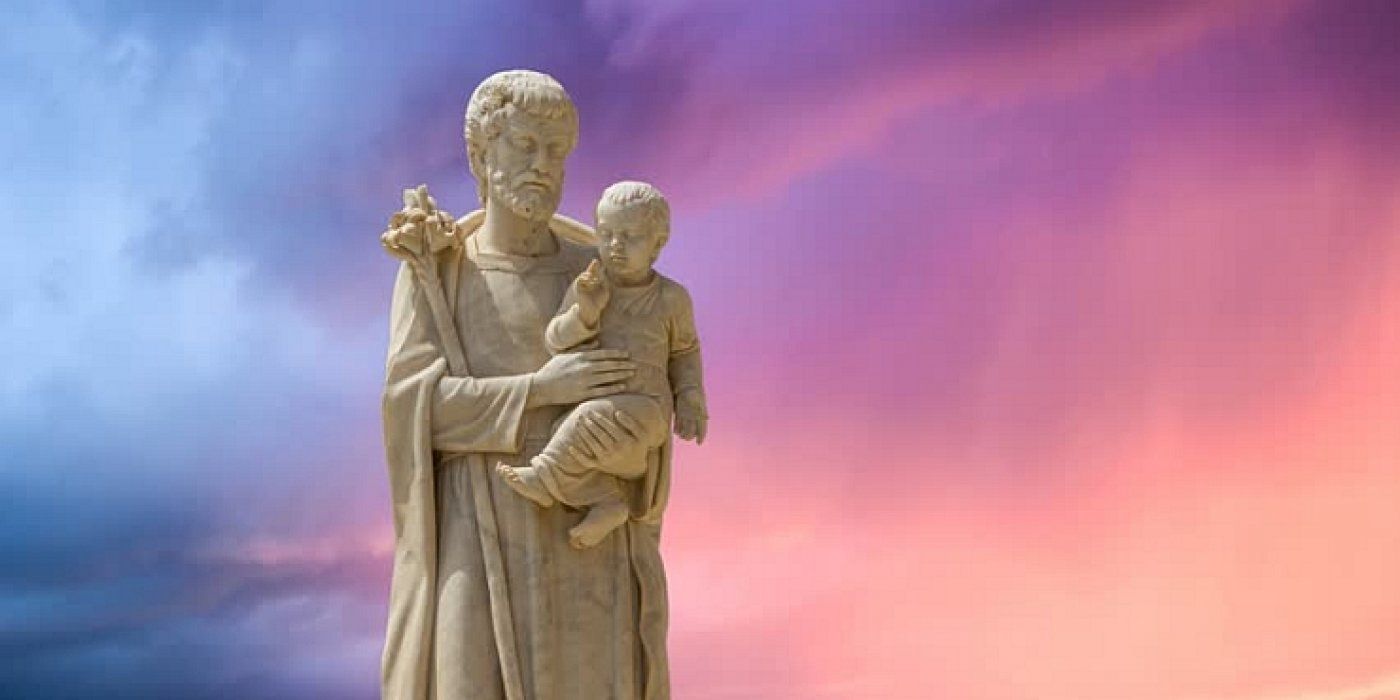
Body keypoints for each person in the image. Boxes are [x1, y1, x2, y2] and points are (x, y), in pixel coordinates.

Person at [380, 70, 673, 699]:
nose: (542, 165)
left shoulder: (598, 272)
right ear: (481, 155)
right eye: (524, 145)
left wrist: (633, 455)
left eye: (556, 150)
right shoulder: (440, 272)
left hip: (583, 541)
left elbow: (650, 390)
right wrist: (539, 389)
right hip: (476, 533)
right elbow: (415, 412)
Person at [498, 181, 708, 550]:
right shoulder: (592, 285)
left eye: (630, 236)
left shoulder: (672, 299)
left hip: (646, 407)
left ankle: (543, 478)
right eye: (606, 233)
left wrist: (690, 398)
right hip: (600, 405)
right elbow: (555, 339)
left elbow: (685, 351)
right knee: (568, 433)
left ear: (658, 243)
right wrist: (584, 313)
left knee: (581, 425)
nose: (614, 245)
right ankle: (607, 500)